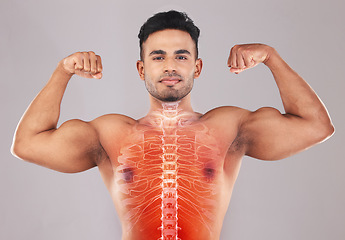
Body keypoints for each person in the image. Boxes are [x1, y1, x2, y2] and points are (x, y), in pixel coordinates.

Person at [11, 10, 334, 240]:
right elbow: (27, 144)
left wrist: (272, 58)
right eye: (157, 56)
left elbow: (315, 127)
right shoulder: (110, 133)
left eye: (181, 56)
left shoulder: (228, 126)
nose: (170, 66)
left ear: (198, 66)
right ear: (141, 68)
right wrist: (62, 71)